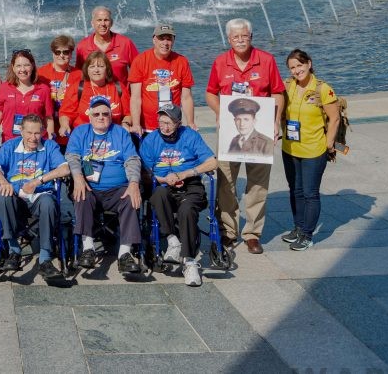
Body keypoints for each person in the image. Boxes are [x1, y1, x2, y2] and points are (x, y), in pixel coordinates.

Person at [206, 18, 284, 254]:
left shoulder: (266, 60)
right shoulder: (221, 62)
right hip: (230, 130)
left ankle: (252, 233)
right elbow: (210, 93)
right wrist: (220, 112)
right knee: (226, 181)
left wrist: (276, 121)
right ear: (229, 39)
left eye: (244, 36)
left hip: (260, 131)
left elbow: (278, 92)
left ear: (251, 37)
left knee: (258, 183)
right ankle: (229, 231)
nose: (240, 40)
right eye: (235, 37)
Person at [139, 105, 218, 287]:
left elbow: (212, 162)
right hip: (162, 183)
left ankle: (189, 261)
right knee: (158, 194)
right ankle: (172, 240)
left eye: (169, 123)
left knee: (187, 209)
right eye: (161, 122)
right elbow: (144, 171)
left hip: (190, 183)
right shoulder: (151, 140)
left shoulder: (190, 136)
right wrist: (163, 178)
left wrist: (186, 174)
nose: (165, 127)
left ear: (178, 123)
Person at [0, 114, 69, 280]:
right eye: (29, 133)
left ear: (43, 132)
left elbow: (65, 169)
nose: (33, 138)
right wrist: (3, 182)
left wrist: (38, 181)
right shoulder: (10, 146)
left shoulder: (50, 146)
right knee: (4, 196)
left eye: (37, 133)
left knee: (48, 202)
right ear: (21, 132)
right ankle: (13, 249)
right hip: (16, 196)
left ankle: (45, 258)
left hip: (40, 195)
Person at [66, 96, 143, 274]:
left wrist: (133, 183)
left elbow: (132, 159)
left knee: (131, 196)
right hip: (90, 188)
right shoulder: (80, 132)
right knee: (81, 194)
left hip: (117, 189)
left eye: (105, 114)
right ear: (90, 116)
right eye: (97, 114)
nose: (101, 117)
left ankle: (125, 254)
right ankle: (88, 249)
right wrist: (78, 177)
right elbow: (72, 157)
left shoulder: (120, 133)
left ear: (111, 115)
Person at [281, 49, 340, 251]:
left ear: (309, 63)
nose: (297, 70)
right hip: (290, 147)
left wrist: (329, 143)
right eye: (292, 68)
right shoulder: (287, 86)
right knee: (295, 190)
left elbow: (335, 118)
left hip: (314, 149)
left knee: (310, 193)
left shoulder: (323, 89)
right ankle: (298, 227)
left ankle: (307, 234)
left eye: (299, 65)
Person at [129, 23, 195, 135]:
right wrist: (136, 124)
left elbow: (186, 97)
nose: (165, 43)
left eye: (169, 39)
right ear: (154, 39)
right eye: (161, 38)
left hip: (173, 125)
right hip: (147, 127)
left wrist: (190, 122)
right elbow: (135, 98)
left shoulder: (181, 61)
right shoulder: (140, 60)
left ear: (173, 41)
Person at [59, 50, 132, 136]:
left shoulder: (118, 87)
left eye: (101, 66)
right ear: (87, 70)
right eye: (92, 67)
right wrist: (64, 125)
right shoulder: (77, 88)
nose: (96, 70)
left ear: (107, 69)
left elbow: (128, 114)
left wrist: (126, 124)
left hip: (113, 136)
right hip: (84, 136)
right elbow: (66, 113)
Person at [0, 49, 55, 141]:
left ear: (32, 66)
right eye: (18, 66)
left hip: (34, 142)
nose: (22, 69)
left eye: (26, 65)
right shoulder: (4, 88)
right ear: (13, 67)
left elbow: (48, 118)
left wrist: (50, 140)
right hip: (9, 141)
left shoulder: (43, 89)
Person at [74, 6, 139, 86]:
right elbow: (79, 75)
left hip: (121, 95)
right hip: (93, 96)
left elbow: (138, 70)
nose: (103, 24)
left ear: (111, 23)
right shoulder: (82, 46)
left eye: (106, 20)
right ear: (92, 23)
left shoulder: (125, 43)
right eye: (99, 20)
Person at [37, 35, 82, 145]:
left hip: (69, 127)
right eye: (58, 52)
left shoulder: (79, 74)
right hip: (47, 126)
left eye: (65, 52)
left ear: (71, 54)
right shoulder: (41, 73)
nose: (61, 55)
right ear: (53, 53)